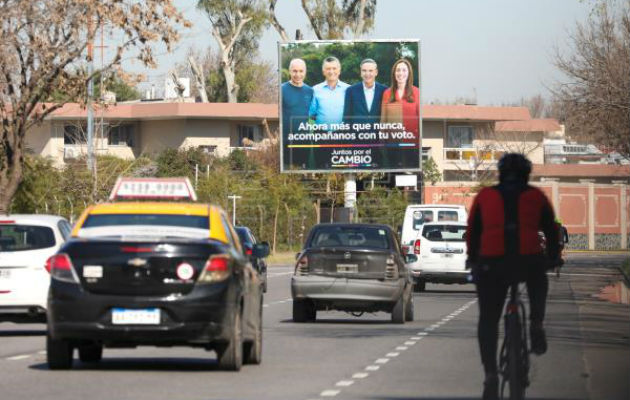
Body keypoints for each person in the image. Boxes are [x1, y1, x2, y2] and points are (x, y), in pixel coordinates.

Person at [466, 153, 561, 400]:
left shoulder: (485, 196)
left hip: (491, 264)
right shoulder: (537, 196)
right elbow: (551, 230)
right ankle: (536, 323)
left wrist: (473, 260)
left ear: (500, 173)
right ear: (526, 174)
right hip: (528, 262)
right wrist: (553, 257)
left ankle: (490, 374)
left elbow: (472, 233)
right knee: (539, 279)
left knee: (488, 320)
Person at [281, 58, 313, 167]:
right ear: (290, 71)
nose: (297, 74)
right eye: (294, 71)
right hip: (286, 141)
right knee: (287, 174)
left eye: (301, 71)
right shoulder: (282, 89)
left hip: (304, 141)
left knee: (303, 174)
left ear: (305, 72)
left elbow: (313, 116)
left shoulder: (310, 91)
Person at [380, 58, 420, 139]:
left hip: (412, 144)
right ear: (394, 73)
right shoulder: (387, 93)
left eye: (404, 70)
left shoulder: (417, 92)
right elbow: (383, 122)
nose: (400, 73)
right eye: (398, 70)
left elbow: (421, 121)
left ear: (409, 73)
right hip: (392, 144)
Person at [342, 58, 387, 128]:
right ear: (360, 72)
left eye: (370, 71)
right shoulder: (350, 91)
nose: (367, 74)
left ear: (376, 72)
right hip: (357, 137)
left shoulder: (384, 91)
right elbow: (346, 119)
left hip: (378, 137)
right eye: (364, 71)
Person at [308, 56, 349, 128]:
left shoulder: (348, 89)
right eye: (328, 69)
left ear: (339, 71)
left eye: (334, 68)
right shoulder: (315, 90)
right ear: (323, 71)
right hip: (321, 135)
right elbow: (311, 114)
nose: (331, 71)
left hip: (343, 134)